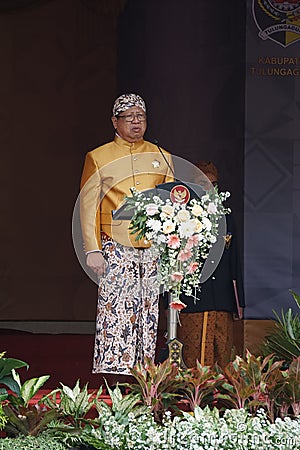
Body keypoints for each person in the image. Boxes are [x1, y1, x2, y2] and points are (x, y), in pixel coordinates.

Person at [80, 93, 173, 379]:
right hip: (115, 246)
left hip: (152, 247)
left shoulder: (161, 156)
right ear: (114, 122)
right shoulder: (98, 156)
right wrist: (92, 249)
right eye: (129, 117)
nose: (136, 122)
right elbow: (87, 205)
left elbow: (171, 203)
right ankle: (115, 372)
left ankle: (146, 370)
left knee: (148, 308)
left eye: (141, 117)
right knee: (117, 308)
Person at [175, 161, 245, 368]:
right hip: (194, 298)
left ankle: (221, 399)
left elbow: (234, 258)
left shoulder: (226, 215)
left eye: (213, 184)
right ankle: (194, 395)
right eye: (202, 184)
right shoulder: (180, 217)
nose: (208, 189)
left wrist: (238, 299)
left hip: (222, 297)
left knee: (223, 350)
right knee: (194, 352)